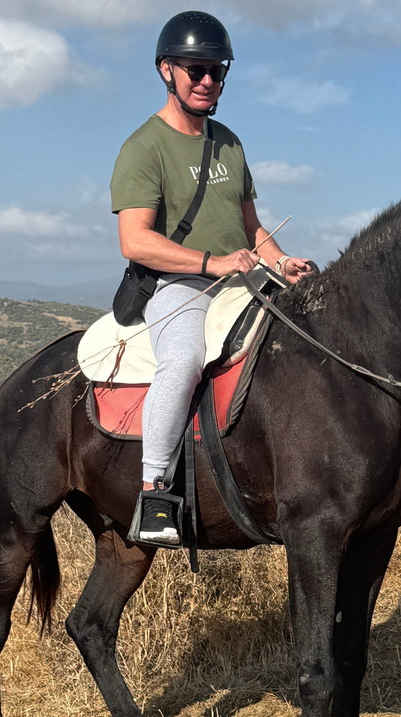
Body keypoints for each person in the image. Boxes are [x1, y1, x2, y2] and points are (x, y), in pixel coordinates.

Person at [110, 10, 314, 544]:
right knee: (182, 361)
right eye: (195, 69)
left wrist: (281, 262)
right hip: (178, 286)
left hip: (244, 280)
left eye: (216, 71)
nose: (206, 81)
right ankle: (155, 494)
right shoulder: (142, 148)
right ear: (166, 70)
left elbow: (252, 227)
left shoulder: (229, 142)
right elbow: (135, 241)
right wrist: (211, 263)